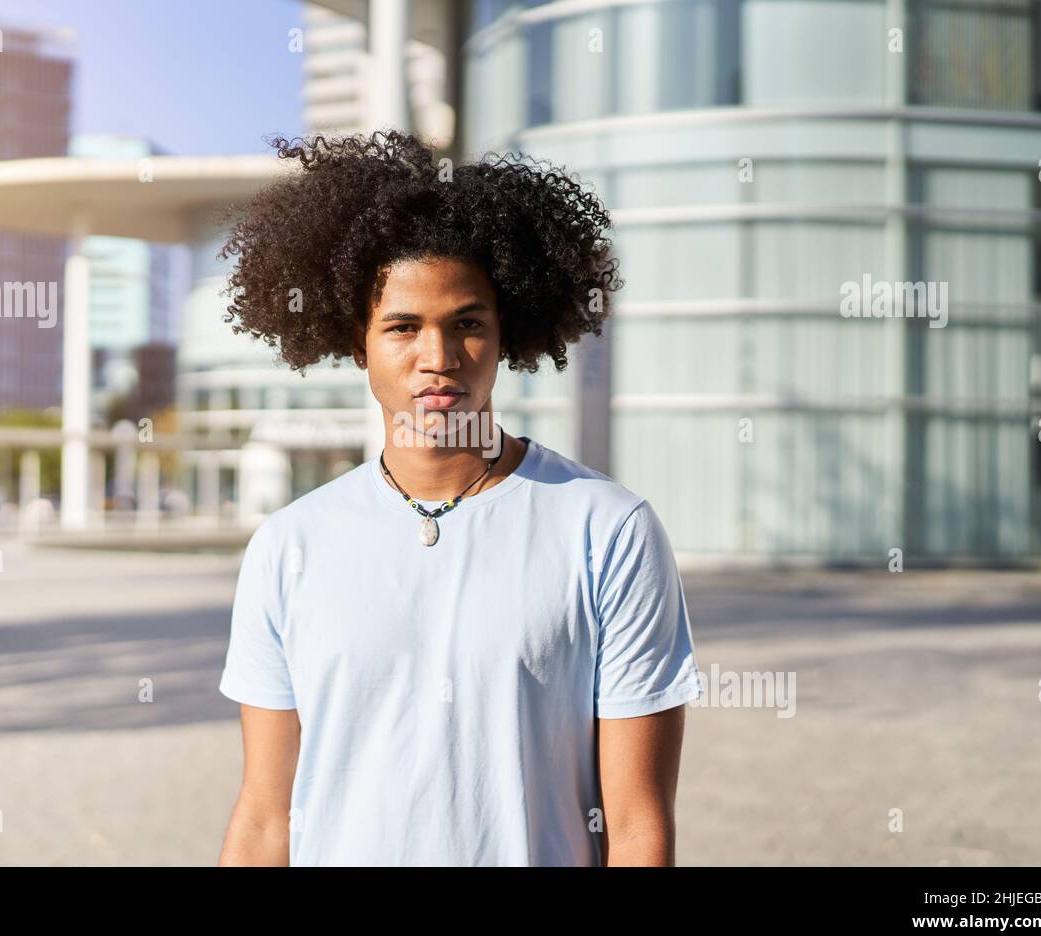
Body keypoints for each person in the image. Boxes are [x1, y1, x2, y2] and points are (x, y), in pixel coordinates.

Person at [215, 130, 701, 866]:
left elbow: (637, 828)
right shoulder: (289, 546)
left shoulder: (608, 530)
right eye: (403, 327)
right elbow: (264, 819)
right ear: (358, 343)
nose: (437, 359)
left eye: (467, 324)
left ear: (506, 334)